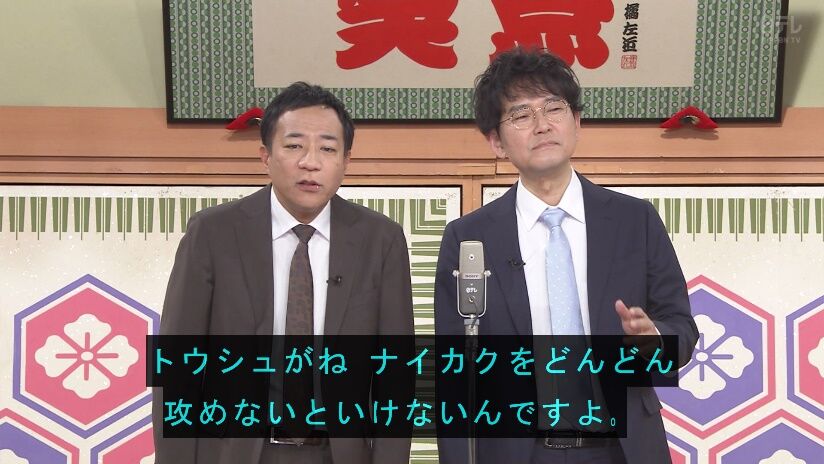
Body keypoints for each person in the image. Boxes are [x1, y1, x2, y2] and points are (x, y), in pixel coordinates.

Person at [434, 48, 698, 464]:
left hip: (621, 450)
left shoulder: (635, 220)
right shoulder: (469, 238)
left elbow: (682, 329)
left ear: (577, 121)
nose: (542, 125)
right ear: (496, 142)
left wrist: (654, 341)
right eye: (521, 115)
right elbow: (454, 373)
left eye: (554, 108)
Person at [153, 82, 414, 464]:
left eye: (328, 149)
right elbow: (177, 367)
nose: (311, 162)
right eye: (294, 146)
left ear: (346, 161)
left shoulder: (381, 240)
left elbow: (396, 379)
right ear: (266, 156)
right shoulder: (213, 233)